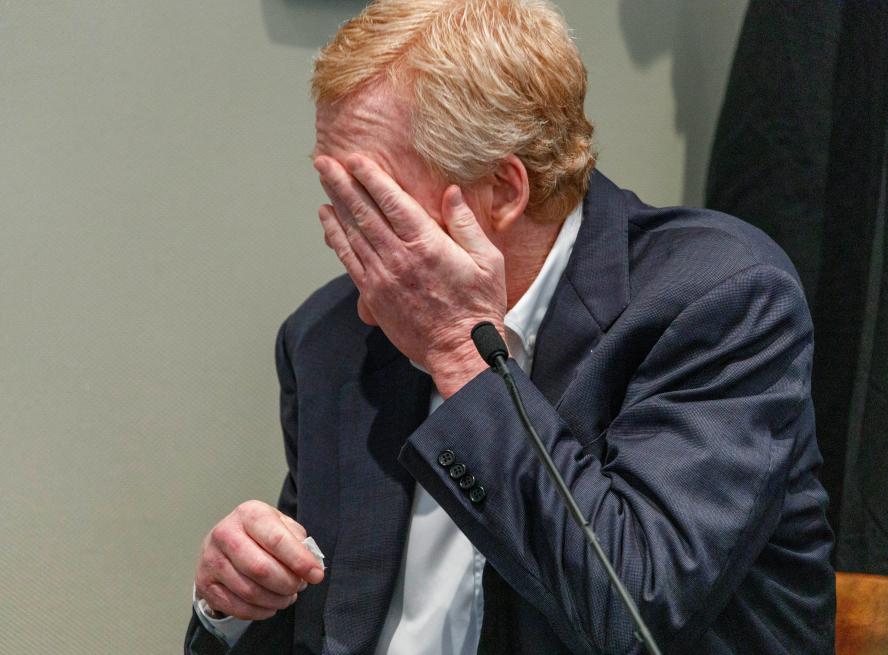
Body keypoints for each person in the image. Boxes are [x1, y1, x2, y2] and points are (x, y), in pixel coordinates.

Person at [184, 1, 836, 653]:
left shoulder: (719, 298)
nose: (345, 236)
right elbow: (321, 626)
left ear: (502, 190)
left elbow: (633, 612)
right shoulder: (329, 340)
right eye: (336, 196)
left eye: (371, 198)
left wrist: (457, 356)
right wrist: (234, 604)